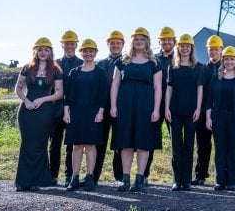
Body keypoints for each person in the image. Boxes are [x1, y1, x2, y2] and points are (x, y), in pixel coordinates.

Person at [109, 27, 162, 192]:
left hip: (146, 106)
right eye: (136, 39)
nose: (139, 41)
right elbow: (115, 84)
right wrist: (113, 106)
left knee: (143, 142)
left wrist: (156, 110)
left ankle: (139, 179)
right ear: (132, 42)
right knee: (126, 142)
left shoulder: (154, 63)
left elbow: (158, 87)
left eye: (142, 39)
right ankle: (125, 179)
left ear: (147, 42)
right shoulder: (123, 61)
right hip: (124, 105)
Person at [14, 37, 65, 191]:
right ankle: (23, 181)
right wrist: (26, 101)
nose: (43, 53)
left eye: (46, 50)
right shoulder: (27, 68)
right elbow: (18, 88)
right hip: (27, 112)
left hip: (45, 112)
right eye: (40, 50)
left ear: (50, 52)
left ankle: (38, 180)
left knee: (40, 145)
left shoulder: (56, 70)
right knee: (27, 144)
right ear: (35, 51)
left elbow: (59, 93)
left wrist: (42, 99)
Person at [63, 39, 109, 191]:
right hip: (76, 112)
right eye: (85, 51)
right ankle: (74, 178)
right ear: (81, 52)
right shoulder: (74, 72)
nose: (88, 53)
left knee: (90, 146)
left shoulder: (100, 72)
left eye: (91, 51)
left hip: (94, 112)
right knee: (76, 146)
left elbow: (104, 95)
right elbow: (67, 95)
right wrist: (66, 112)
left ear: (95, 53)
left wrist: (101, 112)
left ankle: (90, 177)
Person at [206, 46, 235, 191]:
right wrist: (208, 118)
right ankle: (220, 181)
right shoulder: (216, 78)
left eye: (232, 59)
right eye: (226, 59)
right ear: (223, 61)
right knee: (220, 149)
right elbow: (209, 101)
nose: (229, 62)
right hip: (218, 118)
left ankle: (232, 181)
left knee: (233, 149)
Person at [164, 34, 204, 191]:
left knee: (188, 145)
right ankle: (176, 180)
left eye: (188, 46)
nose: (185, 48)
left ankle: (186, 181)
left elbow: (200, 89)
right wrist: (166, 108)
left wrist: (198, 108)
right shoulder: (172, 67)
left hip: (191, 111)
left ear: (191, 48)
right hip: (174, 110)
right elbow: (169, 89)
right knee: (176, 146)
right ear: (178, 48)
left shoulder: (198, 67)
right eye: (182, 45)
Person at [142, 26, 175, 186]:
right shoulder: (153, 59)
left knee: (175, 141)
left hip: (173, 106)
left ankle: (178, 178)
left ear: (174, 41)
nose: (166, 41)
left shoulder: (179, 58)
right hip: (154, 104)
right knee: (149, 139)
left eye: (169, 39)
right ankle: (144, 175)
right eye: (164, 39)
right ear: (159, 41)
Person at [94, 30, 125, 183]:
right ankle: (93, 177)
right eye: (112, 43)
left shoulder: (127, 62)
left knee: (119, 144)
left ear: (123, 44)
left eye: (118, 43)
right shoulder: (100, 64)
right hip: (102, 109)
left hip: (120, 109)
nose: (115, 46)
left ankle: (119, 178)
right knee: (99, 143)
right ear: (107, 44)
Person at [52, 30, 82, 187]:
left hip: (74, 110)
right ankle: (52, 176)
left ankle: (69, 176)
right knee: (54, 144)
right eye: (66, 44)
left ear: (76, 45)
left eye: (72, 44)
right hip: (56, 109)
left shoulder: (82, 64)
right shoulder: (54, 64)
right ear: (62, 45)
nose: (69, 46)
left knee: (72, 145)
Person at [194, 35, 223, 185]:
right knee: (202, 145)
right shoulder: (202, 69)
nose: (213, 52)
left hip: (221, 113)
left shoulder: (227, 69)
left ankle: (222, 177)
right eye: (210, 49)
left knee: (222, 145)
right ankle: (200, 175)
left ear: (221, 50)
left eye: (215, 49)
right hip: (204, 112)